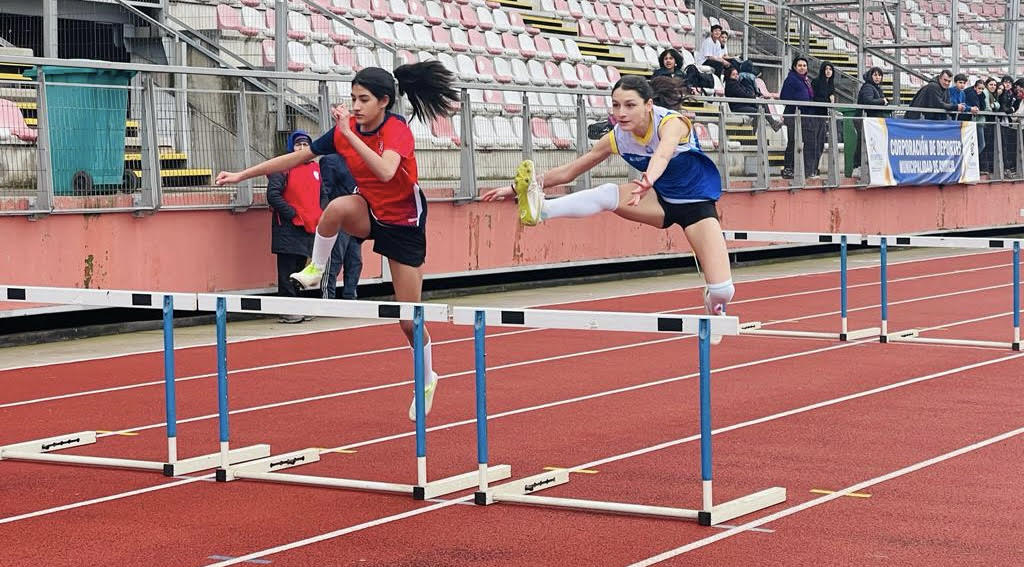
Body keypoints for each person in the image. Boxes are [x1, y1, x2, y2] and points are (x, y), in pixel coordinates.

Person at [216, 62, 459, 420]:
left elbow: (386, 171)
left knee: (409, 320)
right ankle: (315, 269)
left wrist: (349, 133)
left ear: (383, 102)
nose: (356, 106)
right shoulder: (346, 131)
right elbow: (297, 157)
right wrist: (242, 174)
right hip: (370, 209)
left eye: (364, 100)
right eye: (353, 98)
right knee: (335, 209)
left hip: (403, 223)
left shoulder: (396, 130)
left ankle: (426, 379)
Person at [481, 76, 735, 343]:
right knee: (606, 194)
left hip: (696, 205)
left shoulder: (671, 123)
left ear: (648, 105)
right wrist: (516, 188)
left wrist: (648, 179)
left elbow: (663, 153)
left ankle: (712, 302)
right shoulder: (618, 138)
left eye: (629, 105)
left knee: (723, 291)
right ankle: (542, 209)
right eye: (615, 105)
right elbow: (570, 171)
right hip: (656, 199)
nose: (621, 113)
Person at [266, 130, 322, 324]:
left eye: (306, 145)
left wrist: (319, 213)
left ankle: (300, 306)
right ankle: (287, 310)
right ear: (291, 147)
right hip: (288, 228)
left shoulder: (316, 169)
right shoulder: (281, 167)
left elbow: (323, 194)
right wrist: (292, 214)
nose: (302, 148)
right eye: (298, 145)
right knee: (287, 270)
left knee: (301, 270)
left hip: (309, 227)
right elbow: (273, 195)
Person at [319, 104, 362, 301]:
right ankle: (327, 299)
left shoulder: (360, 158)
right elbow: (325, 190)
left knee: (355, 261)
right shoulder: (331, 160)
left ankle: (350, 297)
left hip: (356, 219)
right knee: (334, 260)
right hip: (340, 218)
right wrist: (329, 217)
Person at [779, 56, 814, 179]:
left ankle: (799, 168)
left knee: (804, 142)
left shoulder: (806, 80)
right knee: (792, 142)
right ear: (795, 67)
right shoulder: (791, 79)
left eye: (804, 66)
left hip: (804, 115)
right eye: (799, 65)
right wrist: (797, 103)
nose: (802, 68)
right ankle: (788, 168)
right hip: (793, 115)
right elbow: (784, 97)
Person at [852, 67, 889, 176]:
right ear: (870, 76)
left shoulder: (877, 88)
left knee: (869, 143)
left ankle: (866, 167)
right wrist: (882, 101)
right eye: (875, 75)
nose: (878, 77)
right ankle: (857, 167)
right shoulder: (868, 87)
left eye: (879, 75)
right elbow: (868, 101)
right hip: (864, 119)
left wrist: (885, 101)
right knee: (862, 142)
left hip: (872, 121)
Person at [808, 62, 836, 177]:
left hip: (823, 117)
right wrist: (829, 100)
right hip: (815, 115)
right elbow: (814, 98)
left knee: (820, 144)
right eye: (826, 69)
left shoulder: (831, 84)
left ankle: (815, 168)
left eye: (830, 69)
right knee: (814, 143)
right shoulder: (817, 82)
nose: (828, 71)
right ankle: (811, 169)